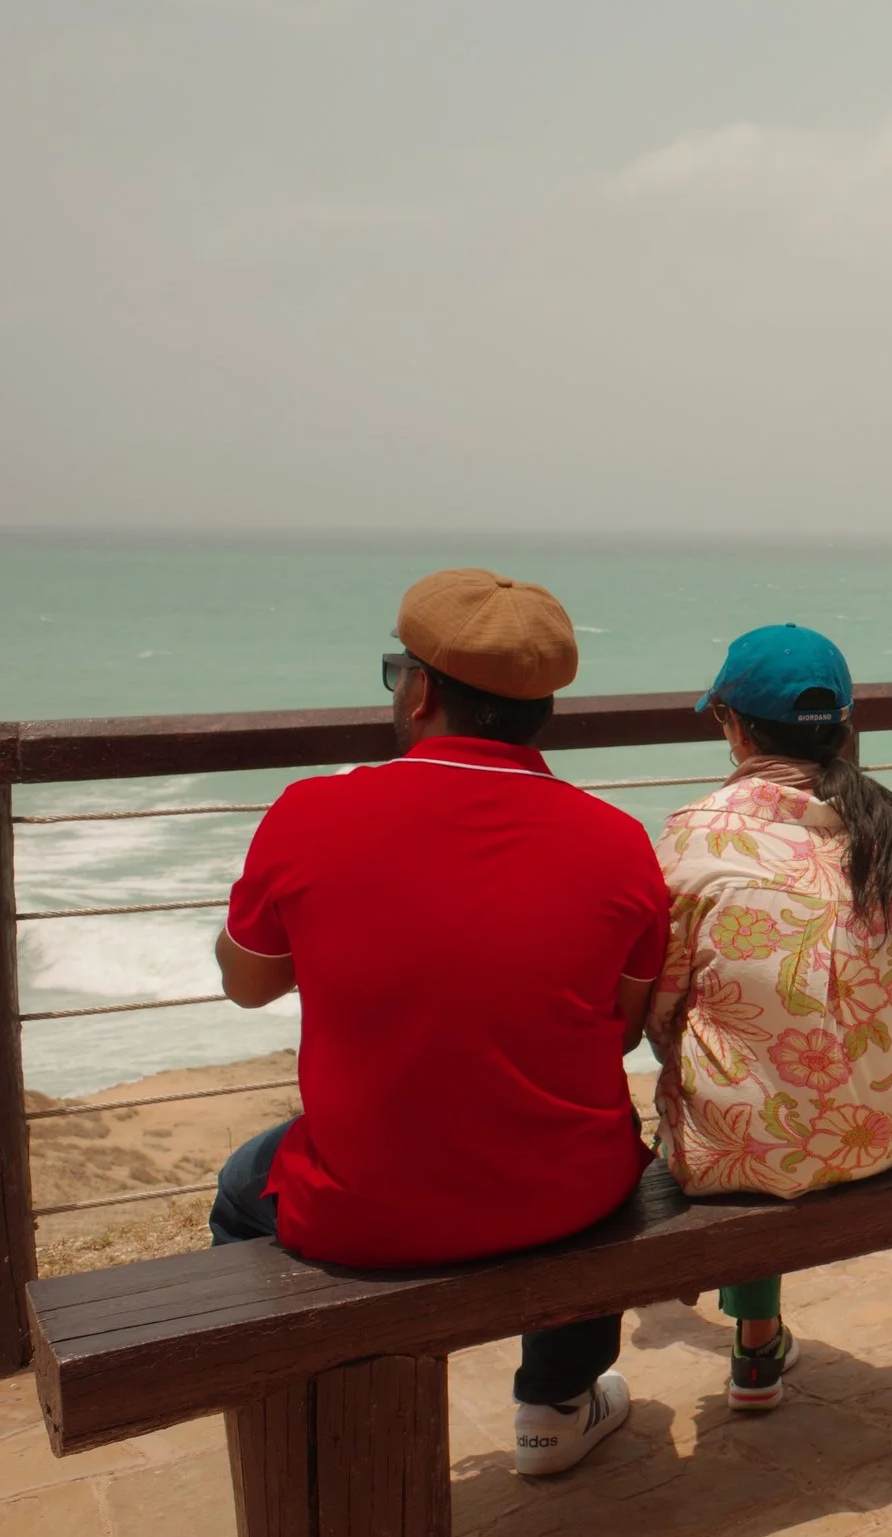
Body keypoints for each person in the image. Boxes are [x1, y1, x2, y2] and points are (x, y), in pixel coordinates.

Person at [208, 568, 669, 1478]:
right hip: (570, 1196)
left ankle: (313, 1428)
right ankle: (557, 1401)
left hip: (365, 1215)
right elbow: (617, 1031)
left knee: (240, 1185)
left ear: (420, 692)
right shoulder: (621, 841)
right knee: (593, 1151)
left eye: (398, 673)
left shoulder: (311, 813)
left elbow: (247, 983)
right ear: (543, 710)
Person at [643, 623, 892, 1412]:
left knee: (745, 1082)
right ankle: (757, 1339)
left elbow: (661, 1007)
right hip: (886, 1127)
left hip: (739, 1151)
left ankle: (756, 1339)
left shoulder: (693, 835)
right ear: (846, 725)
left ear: (732, 725)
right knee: (783, 1056)